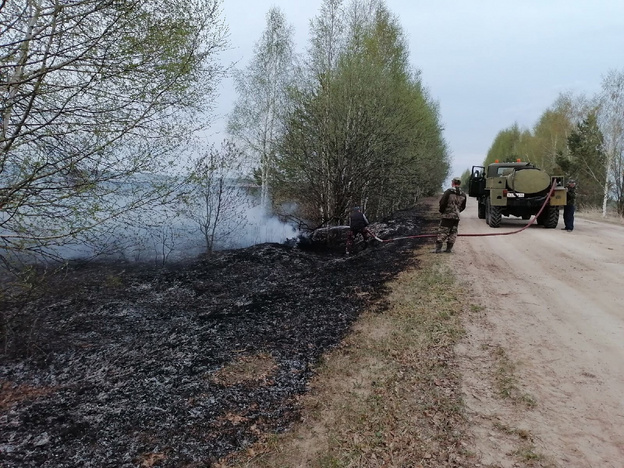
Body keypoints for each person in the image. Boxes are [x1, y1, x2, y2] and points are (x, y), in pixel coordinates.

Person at [434, 177, 467, 253]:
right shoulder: (463, 194)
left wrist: (442, 211)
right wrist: (457, 211)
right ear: (459, 183)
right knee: (453, 232)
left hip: (447, 215)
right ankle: (449, 249)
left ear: (453, 183)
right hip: (456, 217)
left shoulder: (448, 192)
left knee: (443, 231)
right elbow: (463, 206)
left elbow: (442, 203)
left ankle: (438, 249)